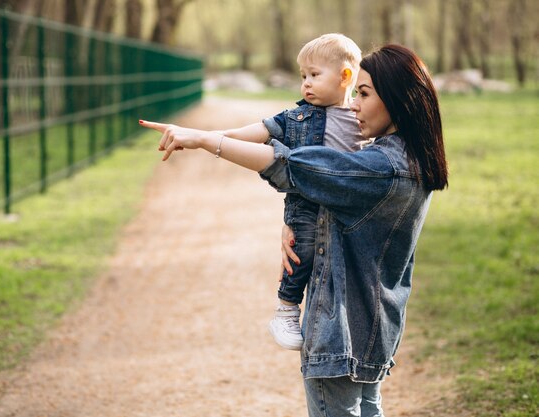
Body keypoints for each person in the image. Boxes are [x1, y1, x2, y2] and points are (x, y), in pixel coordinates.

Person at [140, 44, 448, 417]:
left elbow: (291, 164)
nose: (354, 105)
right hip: (375, 326)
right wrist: (297, 225)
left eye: (364, 95)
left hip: (341, 329)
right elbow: (337, 204)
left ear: (398, 99)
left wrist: (207, 140)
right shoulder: (412, 159)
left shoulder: (381, 166)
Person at [211, 33, 365, 351]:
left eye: (314, 75)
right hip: (307, 204)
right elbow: (259, 131)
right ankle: (286, 309)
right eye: (303, 76)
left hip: (345, 204)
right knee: (302, 250)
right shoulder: (297, 117)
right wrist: (213, 137)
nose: (305, 84)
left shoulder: (362, 117)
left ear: (345, 76)